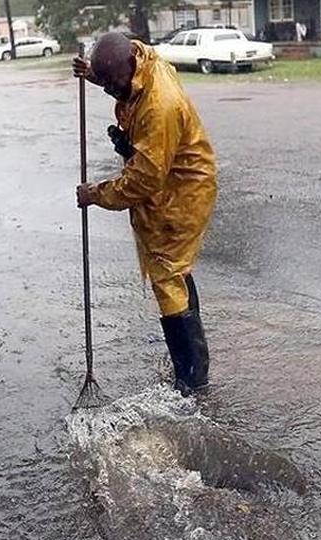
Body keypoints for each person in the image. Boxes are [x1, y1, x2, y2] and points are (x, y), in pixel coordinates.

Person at [74, 33, 217, 395]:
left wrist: (95, 194)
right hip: (168, 177)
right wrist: (96, 75)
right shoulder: (141, 58)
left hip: (181, 191)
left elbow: (142, 183)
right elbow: (123, 85)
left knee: (166, 273)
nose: (110, 92)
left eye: (113, 83)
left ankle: (192, 378)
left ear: (129, 67)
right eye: (104, 85)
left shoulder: (159, 106)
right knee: (173, 272)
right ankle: (192, 365)